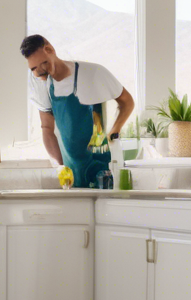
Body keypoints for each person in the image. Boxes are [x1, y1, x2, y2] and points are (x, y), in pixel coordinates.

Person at [20, 34, 135, 188]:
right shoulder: (43, 86)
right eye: (33, 68)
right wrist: (61, 166)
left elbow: (127, 102)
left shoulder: (94, 73)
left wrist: (114, 131)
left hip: (104, 168)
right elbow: (47, 128)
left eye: (43, 64)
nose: (39, 72)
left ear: (50, 49)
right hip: (72, 172)